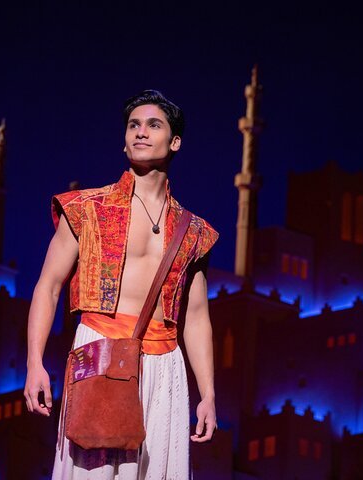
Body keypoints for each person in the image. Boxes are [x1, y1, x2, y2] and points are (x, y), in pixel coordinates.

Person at [24, 90, 219, 479]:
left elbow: (196, 316)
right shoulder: (86, 208)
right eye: (133, 125)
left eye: (153, 125)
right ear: (124, 140)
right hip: (100, 350)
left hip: (165, 363)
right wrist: (34, 363)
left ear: (175, 142)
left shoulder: (194, 231)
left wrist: (208, 394)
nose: (141, 132)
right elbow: (48, 286)